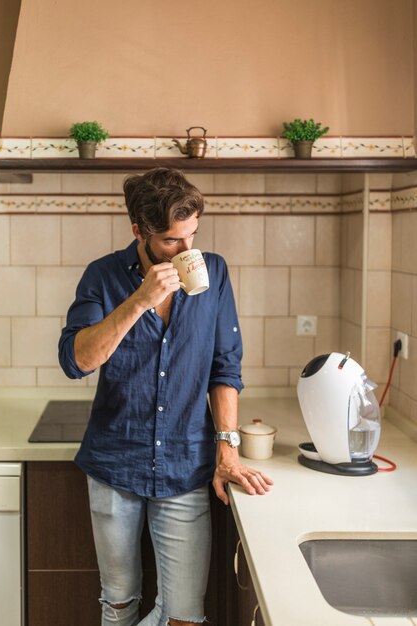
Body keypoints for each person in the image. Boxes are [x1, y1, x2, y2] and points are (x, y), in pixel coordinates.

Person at [58, 167, 273, 626]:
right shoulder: (103, 276)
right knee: (118, 603)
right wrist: (138, 300)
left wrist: (227, 452)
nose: (186, 250)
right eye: (172, 241)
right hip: (115, 461)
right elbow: (76, 361)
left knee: (184, 616)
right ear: (139, 230)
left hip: (184, 465)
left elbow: (225, 366)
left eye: (192, 234)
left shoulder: (212, 271)